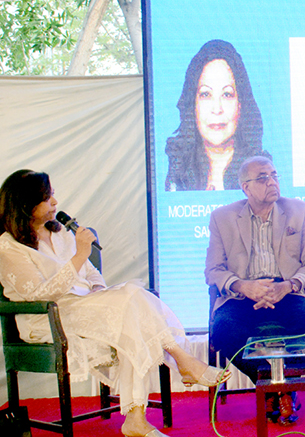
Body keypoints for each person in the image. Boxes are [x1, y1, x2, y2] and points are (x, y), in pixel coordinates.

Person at [0, 170, 230, 437]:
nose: (55, 201)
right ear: (26, 205)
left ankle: (136, 418)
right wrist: (79, 256)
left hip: (85, 307)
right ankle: (181, 360)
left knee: (130, 305)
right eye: (48, 197)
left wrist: (100, 293)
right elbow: (39, 295)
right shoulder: (9, 247)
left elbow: (92, 274)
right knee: (131, 299)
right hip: (48, 318)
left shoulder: (60, 233)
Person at [205, 156, 305, 424]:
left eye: (274, 175)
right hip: (241, 295)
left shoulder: (298, 210)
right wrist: (243, 286)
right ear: (245, 187)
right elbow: (213, 270)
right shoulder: (222, 217)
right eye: (262, 178)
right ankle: (276, 388)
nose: (271, 182)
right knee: (223, 330)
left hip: (287, 292)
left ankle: (279, 388)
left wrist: (289, 285)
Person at [165, 39, 271, 191]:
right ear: (192, 105)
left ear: (241, 104)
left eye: (227, 94)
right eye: (205, 94)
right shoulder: (177, 173)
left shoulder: (262, 172)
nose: (217, 109)